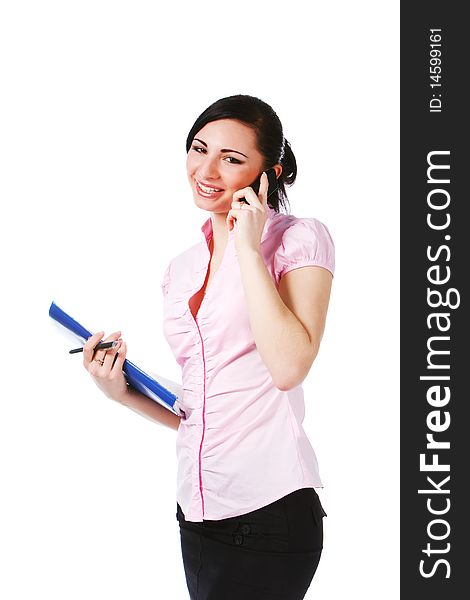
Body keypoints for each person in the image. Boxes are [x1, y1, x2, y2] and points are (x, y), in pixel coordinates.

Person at [82, 94, 335, 600]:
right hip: (196, 512)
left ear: (272, 173)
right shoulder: (181, 269)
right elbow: (204, 410)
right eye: (199, 149)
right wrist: (119, 391)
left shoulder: (299, 240)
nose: (207, 169)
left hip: (269, 515)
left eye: (233, 158)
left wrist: (247, 247)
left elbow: (289, 366)